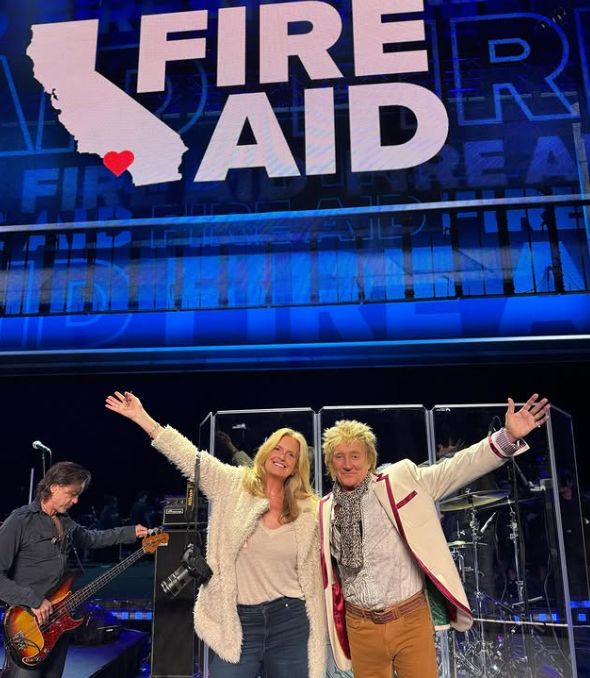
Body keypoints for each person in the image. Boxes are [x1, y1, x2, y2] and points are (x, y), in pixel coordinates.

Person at [319, 393, 550, 678]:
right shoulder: (324, 509)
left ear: (369, 459)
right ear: (330, 463)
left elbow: (456, 468)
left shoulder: (400, 479)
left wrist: (506, 437)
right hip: (360, 626)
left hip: (409, 620)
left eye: (355, 455)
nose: (348, 463)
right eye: (339, 457)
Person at [105, 390, 327, 678]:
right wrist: (141, 417)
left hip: (291, 619)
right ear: (265, 451)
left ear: (298, 466)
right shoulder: (232, 484)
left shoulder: (309, 508)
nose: (282, 457)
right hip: (239, 618)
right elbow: (189, 457)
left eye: (291, 455)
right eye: (278, 449)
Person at [0, 461, 148, 678]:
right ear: (54, 487)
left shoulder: (65, 522)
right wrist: (34, 600)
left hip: (59, 621)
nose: (76, 500)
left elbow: (92, 538)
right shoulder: (20, 521)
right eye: (72, 493)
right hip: (27, 623)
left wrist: (131, 532)